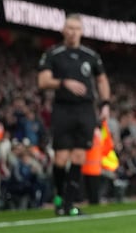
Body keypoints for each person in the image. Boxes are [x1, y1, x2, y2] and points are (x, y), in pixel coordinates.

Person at [37, 13, 112, 217]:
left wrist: (105, 103)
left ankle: (68, 205)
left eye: (76, 28)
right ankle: (60, 198)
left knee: (79, 156)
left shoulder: (91, 55)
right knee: (60, 158)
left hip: (85, 109)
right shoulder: (53, 54)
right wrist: (63, 83)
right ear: (63, 30)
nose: (72, 32)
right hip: (63, 108)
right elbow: (42, 81)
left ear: (81, 31)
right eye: (69, 28)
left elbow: (102, 80)